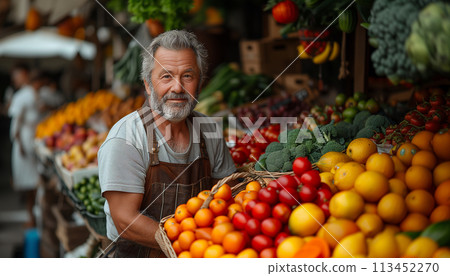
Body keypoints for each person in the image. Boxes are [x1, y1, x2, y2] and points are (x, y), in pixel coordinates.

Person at [98, 30, 237, 258]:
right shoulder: (126, 138)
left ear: (199, 85)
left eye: (188, 76)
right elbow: (124, 219)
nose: (178, 88)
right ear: (148, 85)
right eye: (166, 76)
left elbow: (225, 194)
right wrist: (183, 245)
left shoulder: (209, 130)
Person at [8, 70, 46, 228]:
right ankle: (33, 217)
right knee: (30, 182)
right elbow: (18, 122)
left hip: (25, 142)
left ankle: (33, 217)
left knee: (31, 182)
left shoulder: (25, 94)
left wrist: (21, 145)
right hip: (27, 140)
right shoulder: (28, 94)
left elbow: (17, 122)